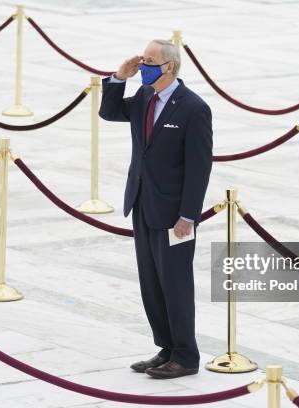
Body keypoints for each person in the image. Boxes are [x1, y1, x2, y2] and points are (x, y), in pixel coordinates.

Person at [98, 39, 213, 379]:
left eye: (149, 61)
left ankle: (186, 356)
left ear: (170, 67)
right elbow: (110, 112)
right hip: (142, 203)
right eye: (142, 59)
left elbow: (199, 167)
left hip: (175, 214)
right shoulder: (146, 97)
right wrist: (119, 77)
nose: (143, 65)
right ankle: (166, 347)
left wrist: (188, 215)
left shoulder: (193, 108)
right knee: (152, 282)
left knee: (176, 283)